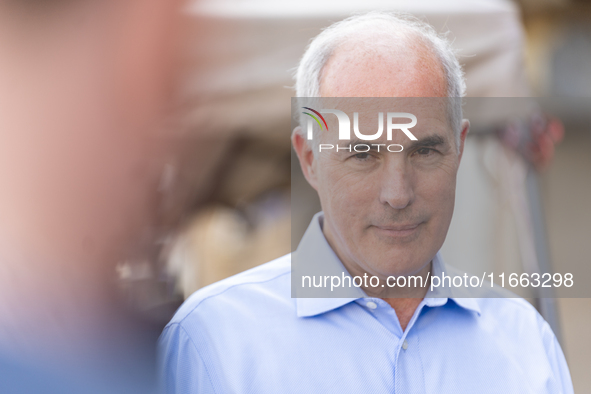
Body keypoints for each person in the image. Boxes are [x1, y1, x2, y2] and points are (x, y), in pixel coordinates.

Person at [159, 12, 573, 393]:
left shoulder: (525, 343)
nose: (397, 193)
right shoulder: (214, 341)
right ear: (309, 159)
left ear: (459, 149)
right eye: (363, 154)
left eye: (424, 152)